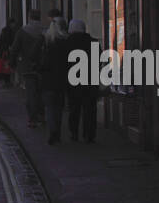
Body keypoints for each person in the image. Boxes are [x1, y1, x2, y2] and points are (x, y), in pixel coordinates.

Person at [10, 9, 46, 127]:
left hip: (27, 66)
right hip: (43, 66)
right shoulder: (46, 30)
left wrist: (12, 64)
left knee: (31, 93)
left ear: (30, 17)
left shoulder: (22, 31)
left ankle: (33, 118)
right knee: (42, 92)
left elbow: (15, 49)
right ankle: (42, 115)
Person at [40, 16, 71, 144]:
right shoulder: (66, 43)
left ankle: (53, 131)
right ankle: (56, 131)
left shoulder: (47, 43)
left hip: (48, 81)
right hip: (62, 81)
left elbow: (43, 63)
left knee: (50, 108)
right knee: (59, 108)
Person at [65, 18, 97, 142]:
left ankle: (74, 133)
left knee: (74, 108)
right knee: (89, 109)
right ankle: (89, 134)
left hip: (73, 80)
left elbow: (64, 63)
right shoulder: (93, 42)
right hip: (90, 80)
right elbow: (99, 60)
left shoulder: (67, 43)